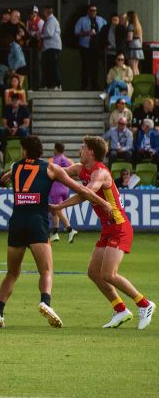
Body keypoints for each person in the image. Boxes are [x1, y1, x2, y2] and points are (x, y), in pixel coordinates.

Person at [0, 135, 109, 329]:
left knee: (12, 272)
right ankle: (45, 302)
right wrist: (104, 203)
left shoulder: (16, 167)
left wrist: (8, 177)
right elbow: (81, 189)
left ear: (25, 150)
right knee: (46, 270)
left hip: (17, 222)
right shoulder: (50, 168)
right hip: (37, 222)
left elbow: (5, 178)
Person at [51, 135, 155, 330]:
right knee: (93, 272)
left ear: (90, 152)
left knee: (108, 274)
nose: (79, 151)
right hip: (108, 228)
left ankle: (145, 304)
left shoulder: (100, 173)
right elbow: (58, 172)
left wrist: (59, 205)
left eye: (82, 147)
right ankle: (120, 309)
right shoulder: (80, 169)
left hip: (119, 227)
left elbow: (87, 192)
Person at [48, 142, 77, 243]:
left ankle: (70, 229)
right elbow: (73, 173)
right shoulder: (68, 160)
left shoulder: (52, 160)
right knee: (55, 211)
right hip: (66, 188)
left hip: (56, 188)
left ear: (55, 149)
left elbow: (50, 173)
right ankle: (55, 233)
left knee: (57, 209)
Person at [74, 5, 106, 90]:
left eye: (95, 10)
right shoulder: (82, 20)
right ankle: (84, 86)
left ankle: (94, 85)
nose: (93, 12)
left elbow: (107, 30)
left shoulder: (101, 20)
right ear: (88, 11)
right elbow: (76, 32)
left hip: (97, 47)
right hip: (85, 47)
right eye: (91, 10)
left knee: (95, 67)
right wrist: (87, 33)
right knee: (85, 67)